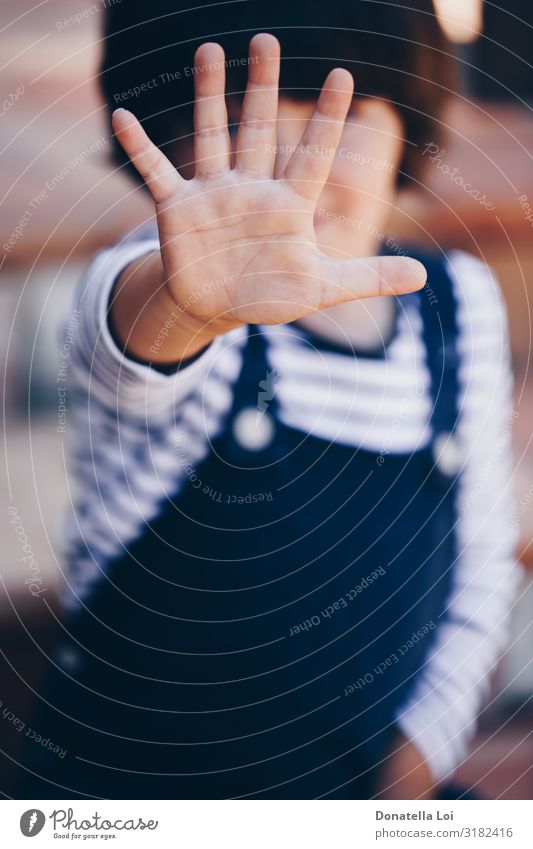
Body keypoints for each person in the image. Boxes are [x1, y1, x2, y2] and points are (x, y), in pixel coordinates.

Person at [19, 0, 519, 800]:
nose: (290, 154)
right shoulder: (163, 291)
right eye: (236, 109)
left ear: (409, 121)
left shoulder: (459, 304)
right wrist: (192, 304)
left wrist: (413, 763)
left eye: (342, 106)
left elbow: (481, 565)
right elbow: (129, 351)